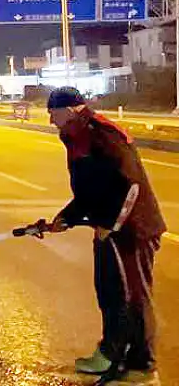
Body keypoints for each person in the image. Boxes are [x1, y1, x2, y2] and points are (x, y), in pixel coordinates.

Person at [38, 87, 166, 382]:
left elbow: (129, 185)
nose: (50, 120)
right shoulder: (79, 134)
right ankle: (111, 354)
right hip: (110, 229)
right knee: (109, 293)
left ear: (70, 111)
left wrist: (111, 223)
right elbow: (91, 189)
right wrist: (65, 219)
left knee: (133, 297)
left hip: (132, 230)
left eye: (53, 114)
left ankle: (142, 366)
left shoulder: (101, 134)